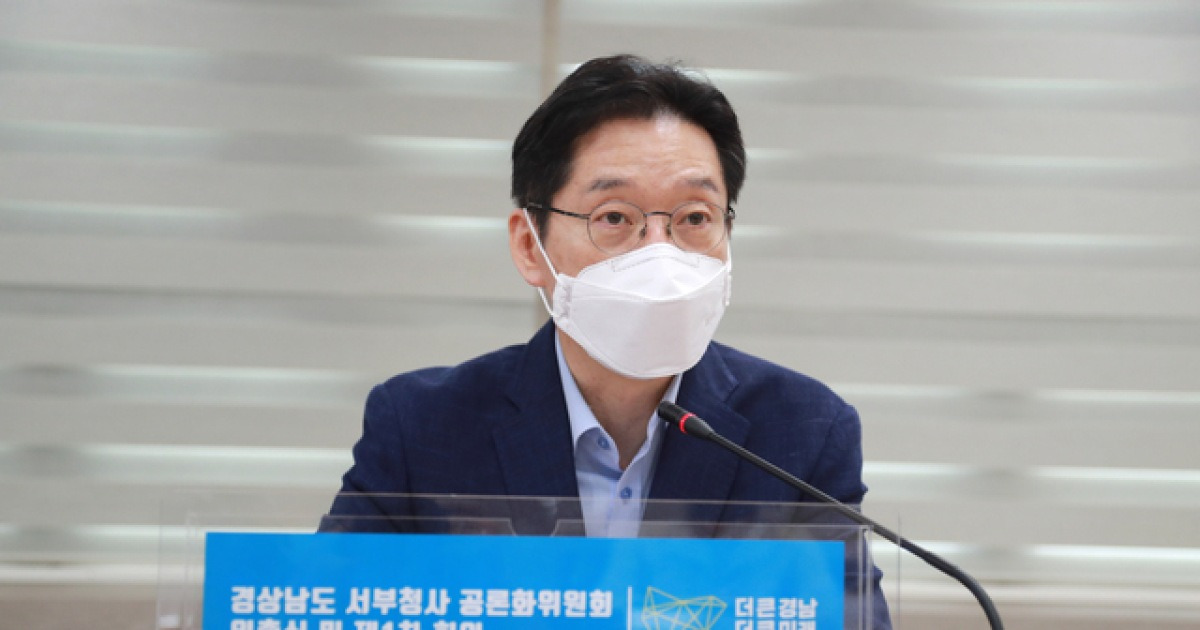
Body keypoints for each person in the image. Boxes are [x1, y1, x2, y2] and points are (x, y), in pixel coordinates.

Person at [327, 54, 891, 628]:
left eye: (695, 217)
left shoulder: (802, 432)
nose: (659, 253)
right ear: (530, 246)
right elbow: (329, 609)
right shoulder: (422, 428)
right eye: (615, 217)